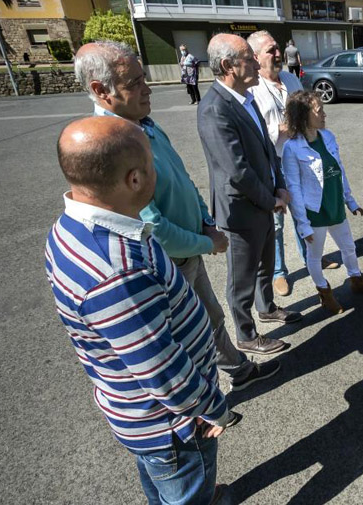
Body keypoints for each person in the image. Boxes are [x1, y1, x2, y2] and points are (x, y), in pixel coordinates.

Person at [45, 115, 240, 504]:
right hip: (174, 424)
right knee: (185, 486)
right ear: (134, 179)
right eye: (152, 165)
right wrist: (214, 408)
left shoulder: (74, 227)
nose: (157, 171)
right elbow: (162, 371)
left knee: (160, 481)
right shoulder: (118, 271)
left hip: (139, 413)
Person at [74, 40, 280, 391]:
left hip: (188, 251)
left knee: (209, 318)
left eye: (143, 78)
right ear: (100, 90)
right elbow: (151, 223)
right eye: (135, 83)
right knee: (188, 333)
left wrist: (203, 220)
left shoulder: (142, 125)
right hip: (169, 260)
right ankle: (203, 405)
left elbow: (182, 179)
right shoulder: (114, 146)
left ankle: (237, 372)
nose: (147, 88)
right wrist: (206, 241)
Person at [197, 33, 301, 356]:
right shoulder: (215, 109)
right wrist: (272, 200)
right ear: (228, 66)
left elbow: (269, 148)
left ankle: (267, 307)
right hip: (241, 210)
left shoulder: (247, 96)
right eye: (249, 58)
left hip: (265, 200)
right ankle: (246, 334)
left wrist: (279, 184)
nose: (257, 62)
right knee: (241, 278)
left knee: (264, 264)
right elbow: (237, 171)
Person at [248, 30, 338, 298]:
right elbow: (254, 131)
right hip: (271, 162)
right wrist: (281, 129)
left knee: (304, 210)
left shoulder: (289, 79)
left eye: (277, 48)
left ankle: (312, 258)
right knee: (276, 222)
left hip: (300, 158)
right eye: (270, 51)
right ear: (255, 57)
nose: (277, 54)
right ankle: (278, 272)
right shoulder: (251, 88)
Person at [282, 90, 363, 314]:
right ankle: (324, 293)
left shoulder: (328, 136)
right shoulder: (292, 148)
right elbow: (294, 189)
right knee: (314, 256)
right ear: (304, 115)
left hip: (335, 205)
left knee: (348, 247)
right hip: (315, 211)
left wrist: (350, 201)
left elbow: (339, 171)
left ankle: (356, 280)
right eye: (319, 110)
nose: (324, 114)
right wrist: (303, 224)